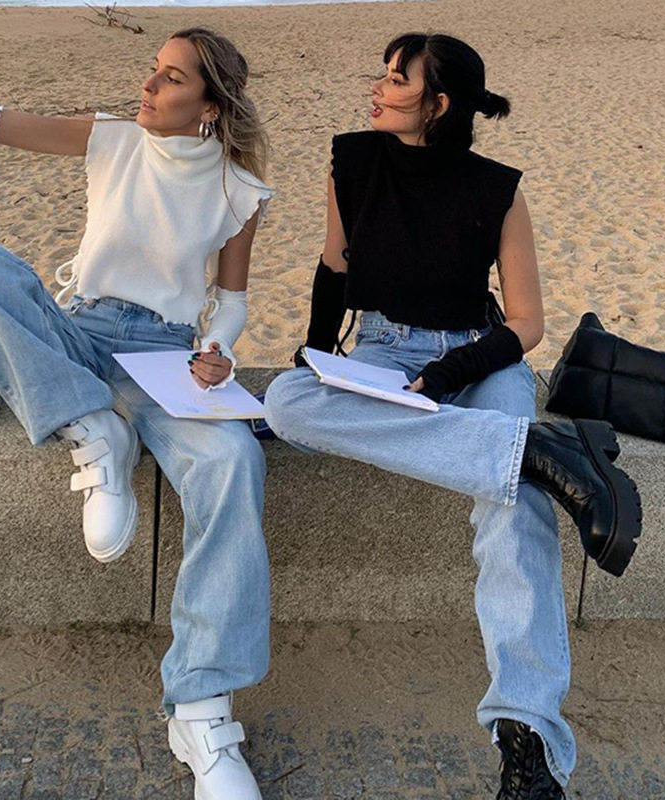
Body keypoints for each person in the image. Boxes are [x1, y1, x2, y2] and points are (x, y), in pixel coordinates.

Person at [0, 27, 272, 799]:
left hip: (164, 357)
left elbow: (230, 301)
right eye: (152, 70)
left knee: (236, 462)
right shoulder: (112, 139)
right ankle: (93, 429)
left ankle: (201, 711)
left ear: (210, 105)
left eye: (171, 78)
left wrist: (219, 349)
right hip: (81, 330)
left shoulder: (238, 189)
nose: (149, 86)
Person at [262, 32, 642, 798]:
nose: (378, 88)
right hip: (380, 349)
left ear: (437, 105)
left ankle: (528, 740)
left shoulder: (497, 190)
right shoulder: (351, 161)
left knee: (517, 508)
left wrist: (449, 373)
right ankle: (534, 451)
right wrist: (317, 359)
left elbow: (527, 324)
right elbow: (335, 269)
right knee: (286, 399)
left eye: (396, 80)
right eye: (382, 74)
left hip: (481, 355)